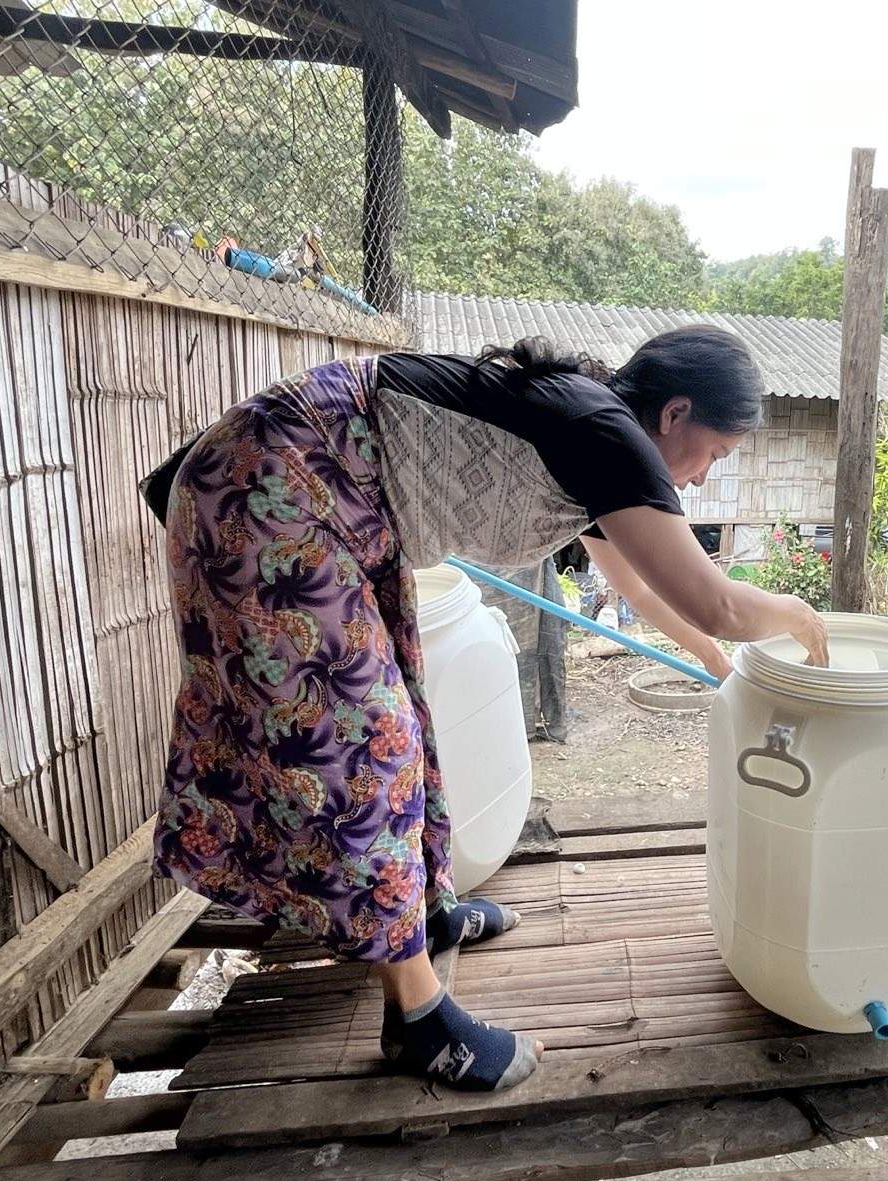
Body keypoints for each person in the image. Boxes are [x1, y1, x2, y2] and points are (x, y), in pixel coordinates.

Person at [142, 327, 828, 1094]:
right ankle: (418, 1019)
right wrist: (799, 617)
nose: (702, 478)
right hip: (268, 486)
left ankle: (418, 918)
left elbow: (641, 588)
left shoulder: (599, 439)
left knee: (396, 707)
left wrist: (717, 663)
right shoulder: (604, 432)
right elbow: (716, 600)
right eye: (714, 453)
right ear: (674, 414)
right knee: (363, 744)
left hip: (322, 496)